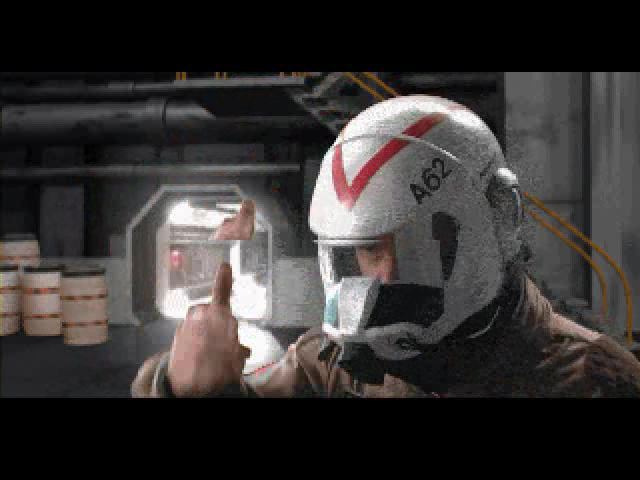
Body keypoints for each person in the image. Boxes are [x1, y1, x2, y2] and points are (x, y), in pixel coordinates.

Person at [132, 95, 640, 398]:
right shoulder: (328, 366)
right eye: (370, 249)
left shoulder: (596, 381)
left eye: (421, 245)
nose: (388, 277)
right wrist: (185, 388)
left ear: (499, 217)